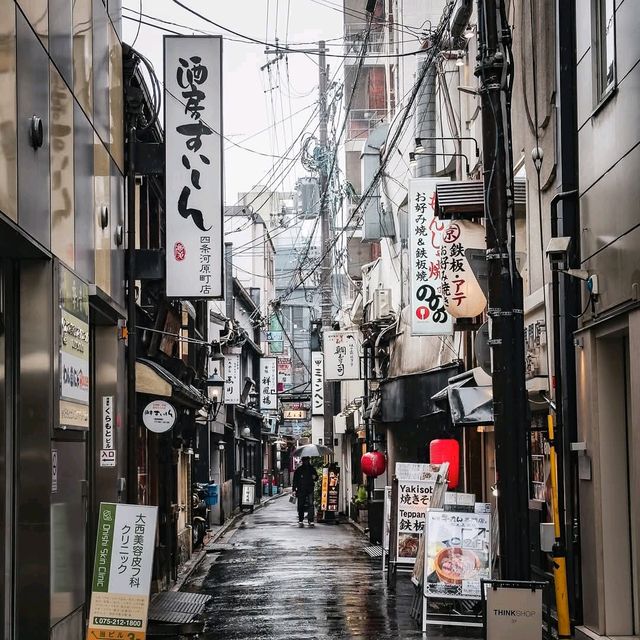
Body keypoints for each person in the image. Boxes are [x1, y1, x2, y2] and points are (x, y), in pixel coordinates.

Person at [292, 457, 318, 527]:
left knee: (310, 505)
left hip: (309, 489)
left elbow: (316, 478)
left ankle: (310, 520)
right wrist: (294, 489)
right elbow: (295, 481)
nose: (306, 462)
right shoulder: (299, 470)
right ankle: (301, 520)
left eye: (307, 460)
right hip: (301, 489)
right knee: (301, 505)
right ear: (303, 461)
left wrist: (315, 477)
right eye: (305, 461)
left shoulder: (312, 469)